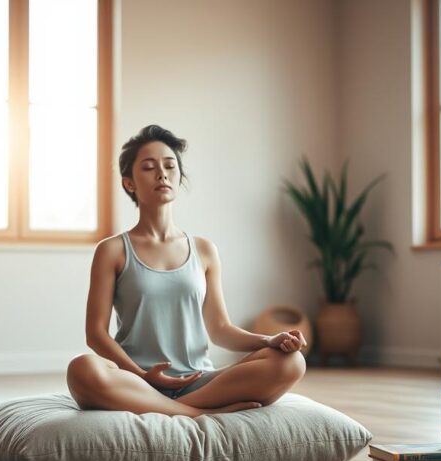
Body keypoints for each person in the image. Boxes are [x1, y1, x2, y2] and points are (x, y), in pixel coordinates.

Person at [66, 124, 307, 416]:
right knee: (81, 368)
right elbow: (96, 334)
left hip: (199, 381)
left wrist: (269, 340)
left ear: (178, 178)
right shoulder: (112, 250)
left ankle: (176, 407)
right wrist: (143, 376)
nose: (162, 173)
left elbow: (220, 330)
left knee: (292, 362)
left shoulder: (205, 250)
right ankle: (196, 413)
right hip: (134, 381)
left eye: (169, 166)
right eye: (148, 167)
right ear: (129, 183)